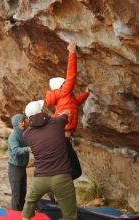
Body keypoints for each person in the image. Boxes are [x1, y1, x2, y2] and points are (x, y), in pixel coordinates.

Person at [22, 100, 77, 220]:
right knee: (70, 216)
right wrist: (65, 111)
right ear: (42, 111)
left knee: (29, 205)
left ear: (28, 117)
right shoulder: (57, 123)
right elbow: (66, 114)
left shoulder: (26, 135)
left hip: (40, 179)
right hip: (62, 178)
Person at [46, 41, 89, 180]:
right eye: (64, 82)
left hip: (62, 138)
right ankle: (55, 186)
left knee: (68, 168)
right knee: (75, 170)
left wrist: (86, 94)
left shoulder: (64, 98)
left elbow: (75, 104)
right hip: (62, 139)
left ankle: (54, 187)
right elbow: (71, 75)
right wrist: (72, 52)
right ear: (61, 85)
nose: (67, 83)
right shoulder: (64, 91)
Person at [8, 114, 30, 211]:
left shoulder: (23, 134)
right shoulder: (13, 136)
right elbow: (16, 150)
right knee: (16, 195)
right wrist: (28, 149)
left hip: (22, 167)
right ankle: (14, 215)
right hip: (15, 168)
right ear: (16, 123)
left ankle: (21, 213)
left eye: (24, 121)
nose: (24, 123)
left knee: (23, 193)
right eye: (21, 121)